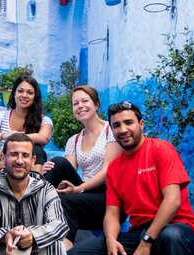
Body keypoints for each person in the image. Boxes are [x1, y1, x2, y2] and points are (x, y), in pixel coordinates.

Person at [69, 101, 194, 255]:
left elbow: (173, 201)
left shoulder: (161, 149)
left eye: (128, 122)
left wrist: (146, 242)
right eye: (116, 125)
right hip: (139, 231)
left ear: (141, 124)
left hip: (176, 227)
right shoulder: (114, 168)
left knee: (170, 236)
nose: (123, 129)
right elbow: (112, 213)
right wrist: (111, 240)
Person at [43, 85, 125, 245]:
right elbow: (68, 174)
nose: (80, 106)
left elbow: (107, 171)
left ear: (96, 104)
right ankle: (34, 203)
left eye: (84, 101)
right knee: (57, 163)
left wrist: (79, 189)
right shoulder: (73, 140)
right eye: (75, 103)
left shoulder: (111, 131)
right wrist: (48, 169)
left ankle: (66, 248)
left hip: (109, 197)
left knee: (63, 201)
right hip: (85, 194)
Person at [0, 133, 69, 255]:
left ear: (33, 161)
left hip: (34, 250)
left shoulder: (45, 188)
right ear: (2, 157)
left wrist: (32, 235)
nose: (20, 161)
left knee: (56, 246)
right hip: (2, 250)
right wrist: (5, 236)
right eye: (14, 154)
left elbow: (59, 224)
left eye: (25, 155)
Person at [0, 75, 53, 176]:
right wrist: (5, 135)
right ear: (14, 94)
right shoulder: (0, 116)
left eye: (30, 92)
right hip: (2, 167)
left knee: (37, 149)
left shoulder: (44, 120)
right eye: (20, 91)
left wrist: (14, 137)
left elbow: (43, 138)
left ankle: (32, 186)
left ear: (35, 97)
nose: (24, 95)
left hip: (27, 170)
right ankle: (2, 183)